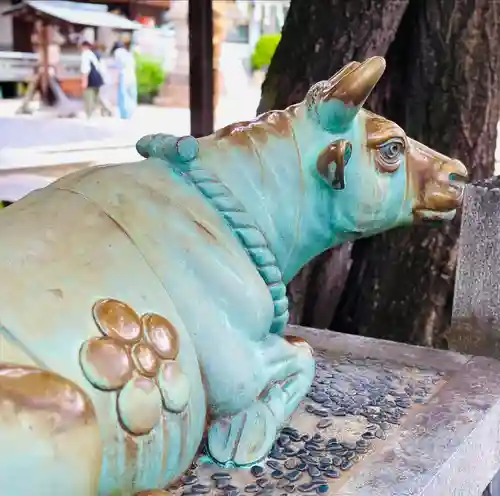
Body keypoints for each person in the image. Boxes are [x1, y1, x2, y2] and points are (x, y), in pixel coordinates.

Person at [111, 41, 138, 119]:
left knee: (123, 95)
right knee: (132, 95)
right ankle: (131, 113)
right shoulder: (128, 53)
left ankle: (124, 114)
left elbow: (118, 66)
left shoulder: (117, 52)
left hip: (124, 75)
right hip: (132, 76)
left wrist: (116, 79)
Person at [80, 40, 105, 118]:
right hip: (97, 76)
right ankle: (105, 110)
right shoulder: (92, 54)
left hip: (90, 77)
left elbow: (85, 68)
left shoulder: (85, 54)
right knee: (96, 96)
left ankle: (89, 114)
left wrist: (84, 81)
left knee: (88, 96)